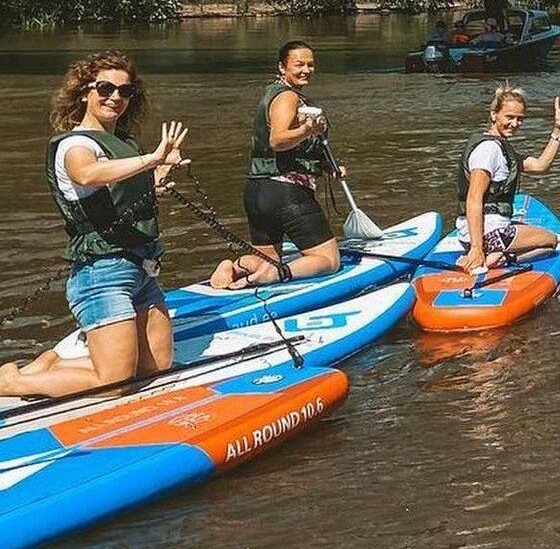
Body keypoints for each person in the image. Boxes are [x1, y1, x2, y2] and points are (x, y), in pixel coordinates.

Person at [1, 51, 187, 397]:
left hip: (143, 269)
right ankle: (10, 381)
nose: (115, 97)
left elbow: (120, 200)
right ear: (84, 91)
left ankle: (51, 364)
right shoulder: (75, 143)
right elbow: (85, 173)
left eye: (124, 91)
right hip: (103, 274)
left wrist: (156, 179)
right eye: (105, 88)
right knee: (114, 383)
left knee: (157, 366)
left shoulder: (124, 143)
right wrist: (151, 160)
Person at [211, 41, 344, 289]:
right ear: (282, 67)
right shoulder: (288, 97)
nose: (306, 70)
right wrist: (307, 128)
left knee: (267, 259)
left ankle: (235, 267)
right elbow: (278, 140)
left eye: (311, 64)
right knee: (328, 259)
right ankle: (277, 274)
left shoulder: (273, 94)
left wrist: (326, 165)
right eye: (299, 64)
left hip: (258, 191)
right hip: (286, 194)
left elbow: (290, 149)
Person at [457, 84, 560, 271]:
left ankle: (493, 252)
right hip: (488, 237)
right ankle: (500, 257)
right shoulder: (489, 150)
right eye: (509, 117)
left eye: (520, 119)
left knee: (526, 231)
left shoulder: (499, 147)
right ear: (494, 115)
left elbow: (539, 166)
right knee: (551, 241)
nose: (515, 124)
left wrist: (558, 130)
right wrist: (477, 249)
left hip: (469, 236)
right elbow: (474, 198)